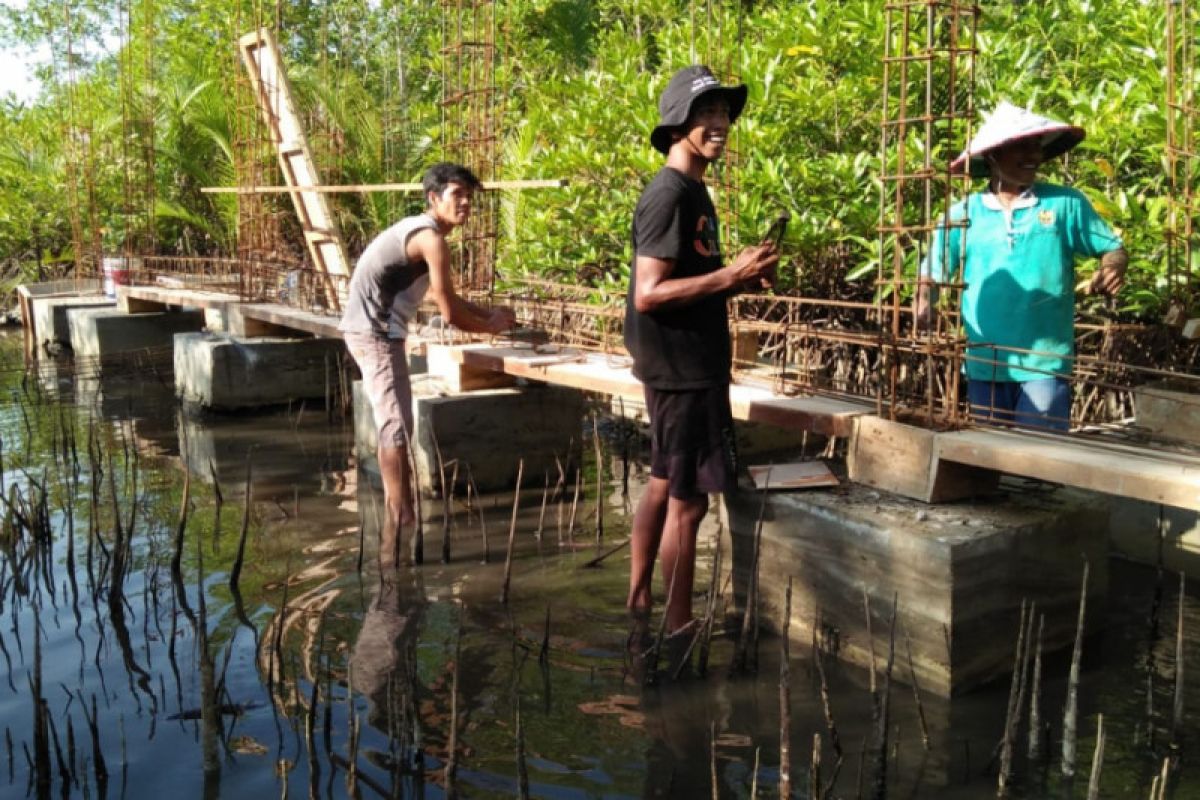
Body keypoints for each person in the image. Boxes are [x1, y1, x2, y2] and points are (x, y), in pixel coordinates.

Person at [624, 65, 779, 635]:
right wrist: (727, 277)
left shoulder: (692, 189)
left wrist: (738, 274)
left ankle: (642, 604)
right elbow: (648, 293)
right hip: (683, 369)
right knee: (688, 503)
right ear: (675, 125)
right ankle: (679, 625)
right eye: (704, 113)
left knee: (665, 483)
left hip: (681, 362)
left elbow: (682, 275)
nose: (719, 124)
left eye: (723, 113)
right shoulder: (669, 193)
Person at [340, 162, 516, 564]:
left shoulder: (425, 234)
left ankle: (400, 513)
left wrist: (490, 315)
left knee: (398, 421)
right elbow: (451, 315)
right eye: (457, 195)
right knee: (396, 423)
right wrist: (490, 328)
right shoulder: (430, 238)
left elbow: (446, 298)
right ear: (433, 199)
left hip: (377, 330)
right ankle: (399, 515)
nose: (466, 204)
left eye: (469, 197)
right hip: (375, 333)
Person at [918, 101, 1128, 431]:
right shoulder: (962, 214)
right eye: (1021, 147)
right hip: (985, 360)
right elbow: (934, 270)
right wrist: (923, 303)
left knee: (1038, 459)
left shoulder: (1065, 203)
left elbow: (1112, 248)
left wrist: (1112, 268)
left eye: (1036, 146)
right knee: (989, 454)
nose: (1033, 155)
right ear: (992, 156)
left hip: (1045, 360)